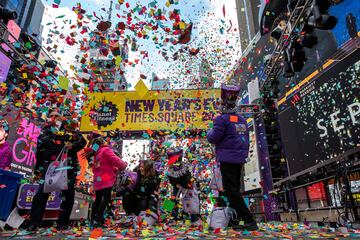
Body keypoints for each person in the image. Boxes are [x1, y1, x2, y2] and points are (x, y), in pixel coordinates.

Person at [206, 83, 257, 231]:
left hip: (227, 159)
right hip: (239, 159)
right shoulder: (241, 120)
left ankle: (248, 219)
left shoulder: (221, 119)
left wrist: (210, 130)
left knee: (231, 190)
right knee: (233, 189)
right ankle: (238, 220)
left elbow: (213, 138)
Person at [28, 111, 86, 231]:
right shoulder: (47, 129)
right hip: (50, 166)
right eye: (51, 115)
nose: (53, 117)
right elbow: (40, 147)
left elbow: (82, 141)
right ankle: (34, 222)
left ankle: (62, 223)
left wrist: (72, 146)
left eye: (55, 115)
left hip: (68, 167)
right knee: (42, 194)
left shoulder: (69, 128)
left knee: (68, 195)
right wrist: (38, 169)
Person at [90, 136, 127, 228]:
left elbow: (102, 164)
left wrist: (113, 168)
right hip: (105, 178)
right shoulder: (106, 150)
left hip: (98, 178)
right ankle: (98, 219)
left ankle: (93, 219)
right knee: (106, 199)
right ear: (103, 142)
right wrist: (123, 165)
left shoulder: (96, 152)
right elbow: (115, 160)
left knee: (98, 199)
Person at [166, 147, 201, 225]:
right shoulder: (170, 167)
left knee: (191, 200)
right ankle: (172, 218)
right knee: (172, 200)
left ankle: (194, 219)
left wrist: (185, 185)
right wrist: (176, 184)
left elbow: (189, 178)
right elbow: (171, 179)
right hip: (176, 186)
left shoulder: (184, 166)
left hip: (187, 186)